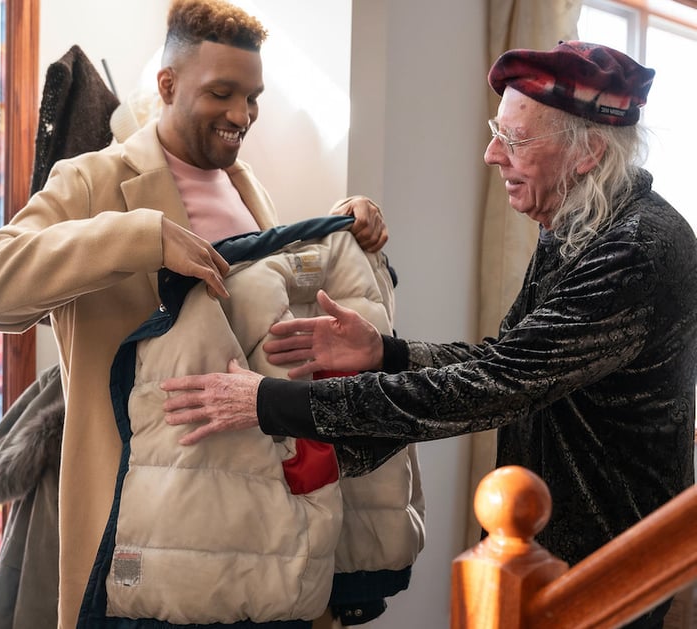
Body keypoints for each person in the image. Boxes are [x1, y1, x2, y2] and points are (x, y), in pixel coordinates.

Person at [162, 41, 697, 629]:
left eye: (515, 140)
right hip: (549, 542)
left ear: (588, 152)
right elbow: (508, 357)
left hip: (613, 564)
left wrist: (271, 402)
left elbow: (496, 385)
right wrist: (384, 352)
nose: (492, 154)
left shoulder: (635, 249)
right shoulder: (583, 220)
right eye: (498, 130)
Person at [0, 1, 390, 627]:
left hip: (248, 539)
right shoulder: (92, 180)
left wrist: (342, 226)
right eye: (223, 93)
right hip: (137, 540)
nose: (242, 116)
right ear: (166, 85)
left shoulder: (250, 188)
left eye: (253, 98)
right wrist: (139, 238)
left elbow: (264, 323)